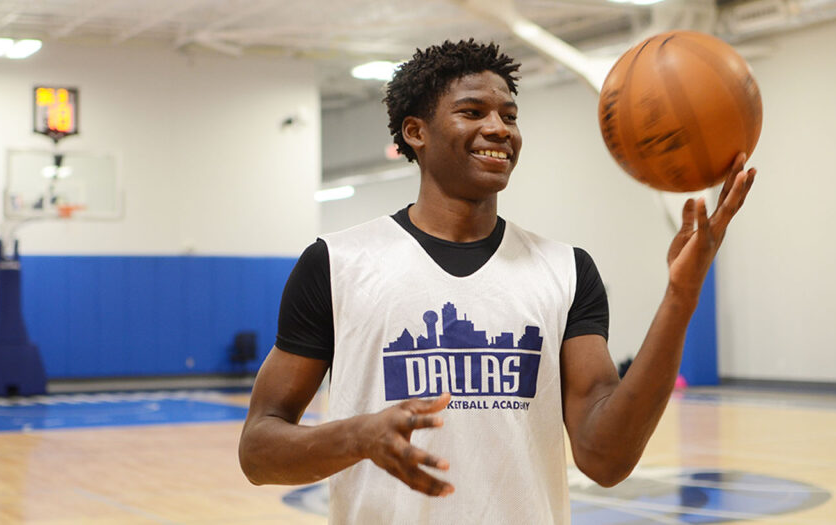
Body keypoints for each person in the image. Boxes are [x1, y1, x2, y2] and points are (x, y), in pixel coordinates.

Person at [238, 39, 756, 524]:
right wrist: (356, 437)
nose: (499, 128)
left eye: (509, 116)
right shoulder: (336, 263)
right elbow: (259, 451)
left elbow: (606, 458)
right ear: (416, 132)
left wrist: (681, 296)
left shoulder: (566, 270)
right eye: (473, 112)